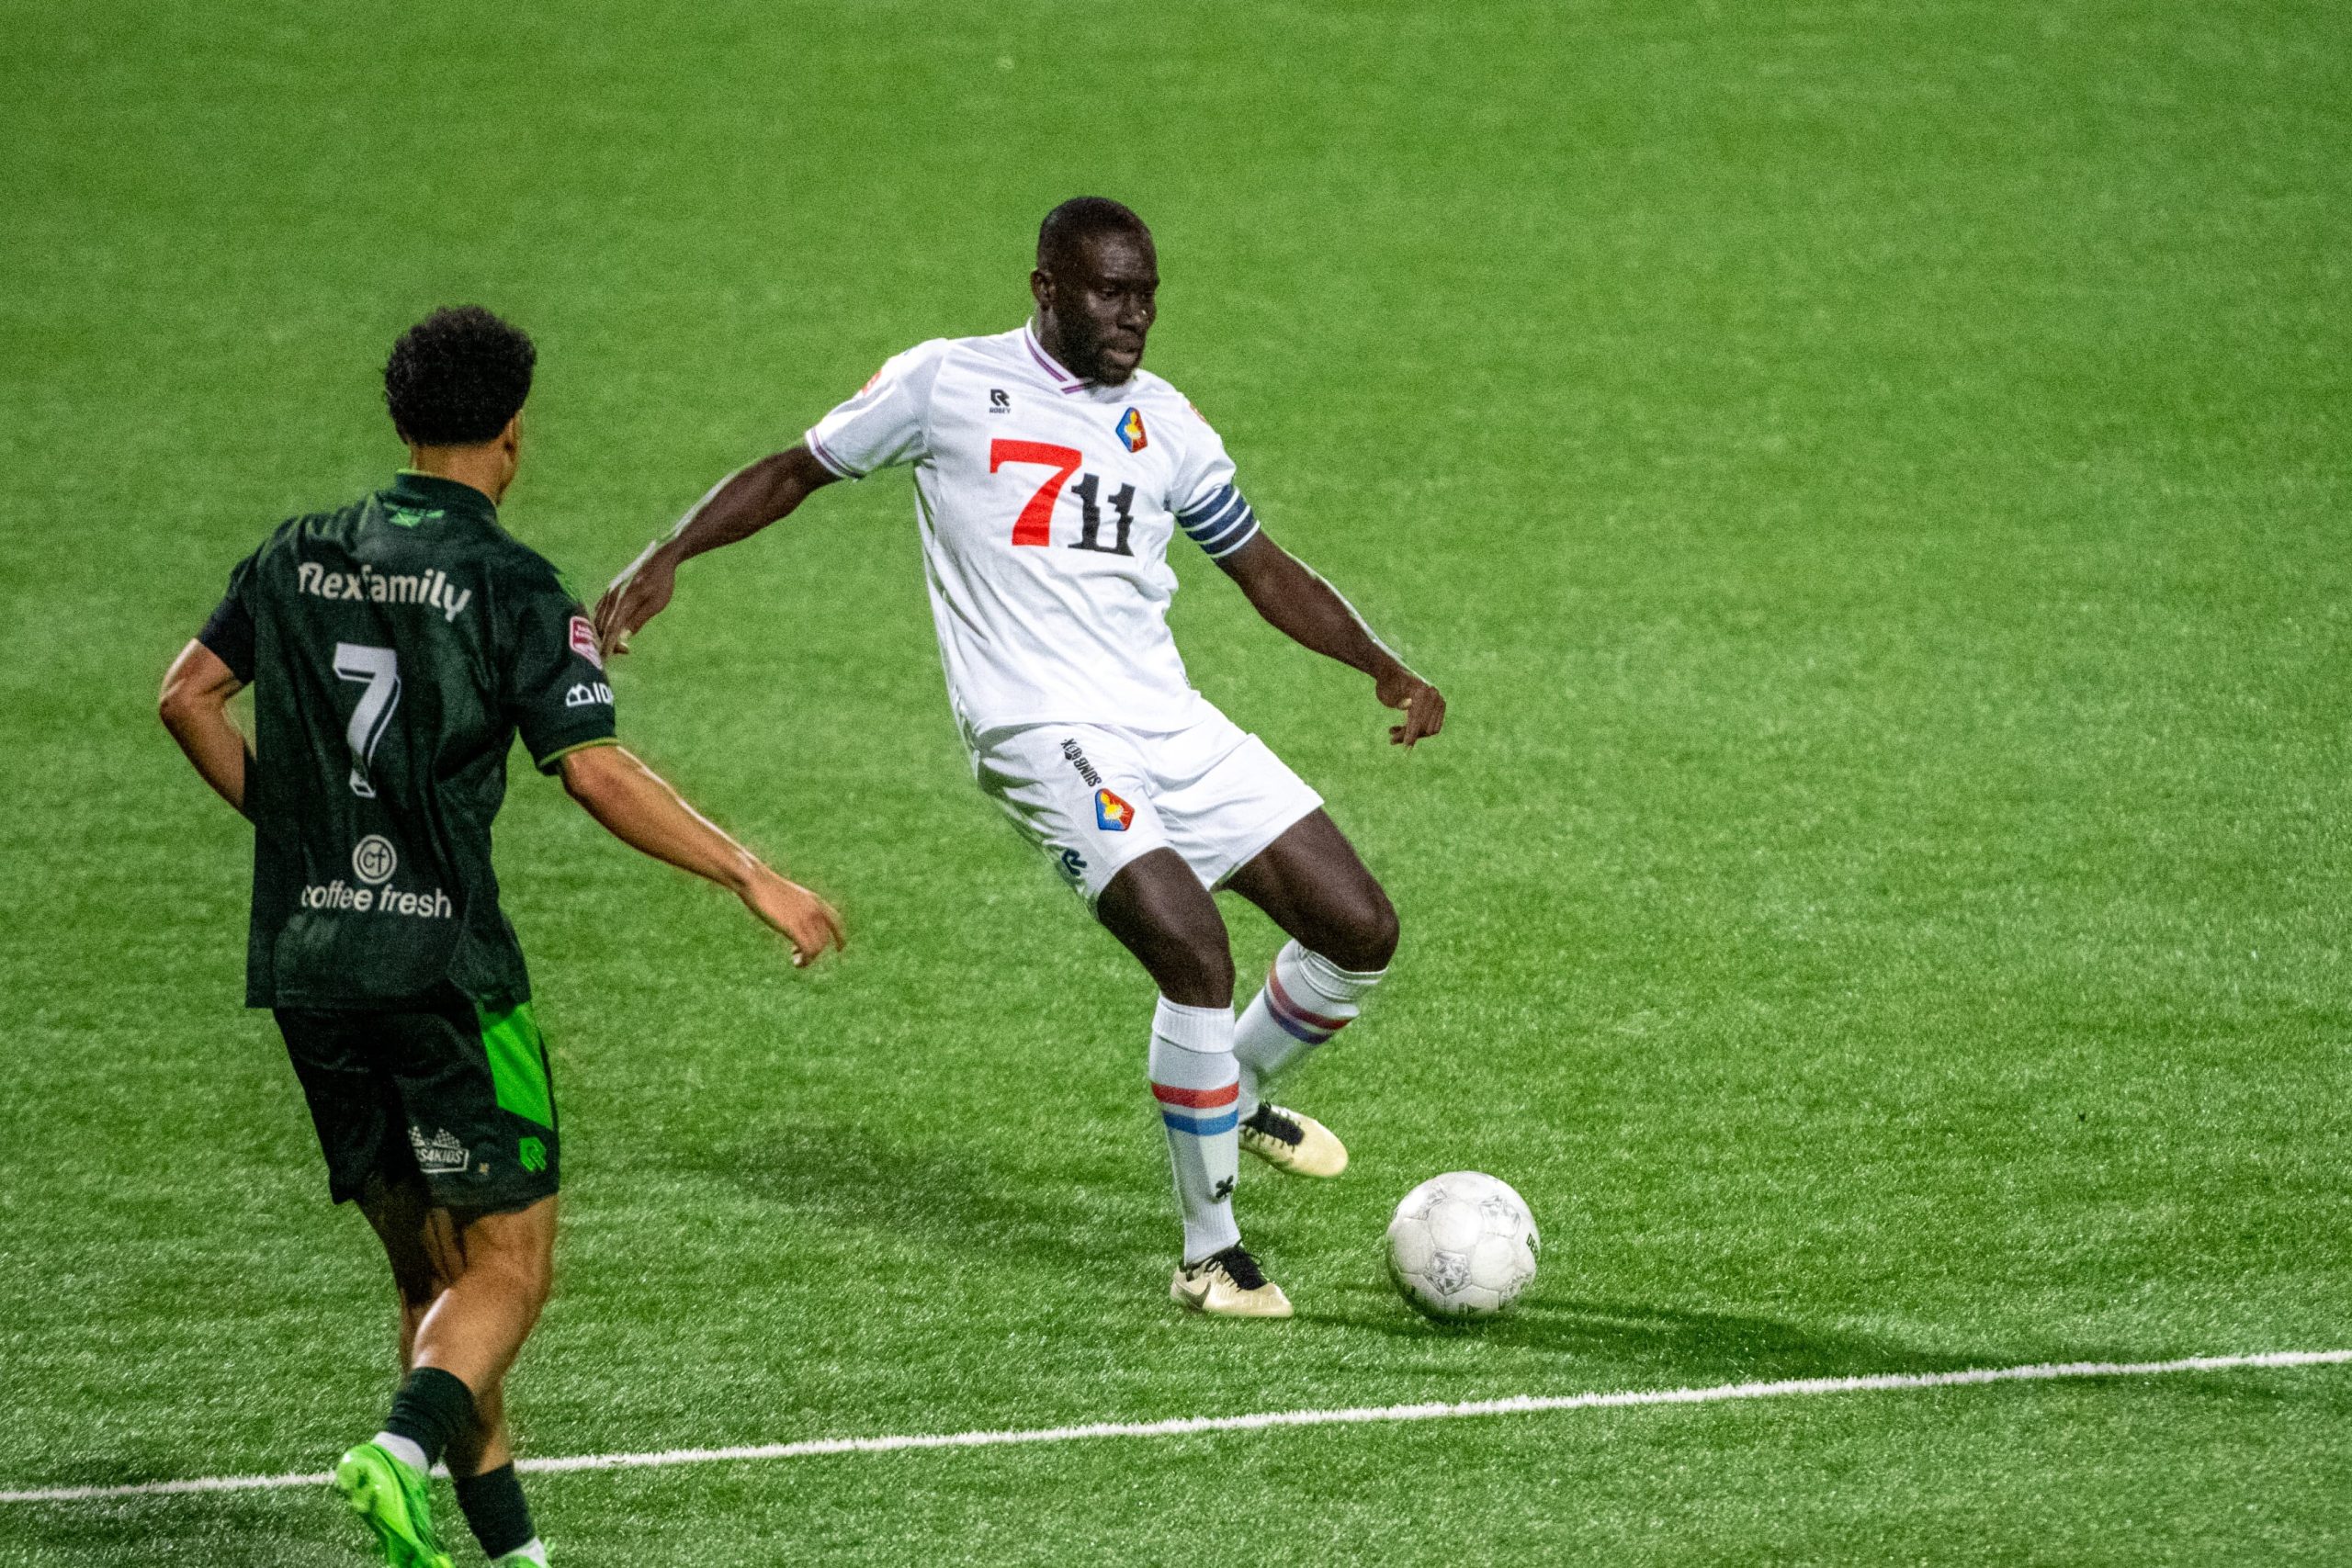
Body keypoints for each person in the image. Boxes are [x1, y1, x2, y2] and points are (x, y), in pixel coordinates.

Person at [596, 197, 1444, 1318]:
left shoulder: (1169, 423)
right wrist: (674, 553)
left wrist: (1381, 665)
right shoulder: (945, 383)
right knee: (1192, 952)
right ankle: (1208, 1252)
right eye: (1109, 292)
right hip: (1039, 730)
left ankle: (1230, 1093)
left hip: (1166, 719)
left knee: (1358, 932)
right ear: (1046, 286)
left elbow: (1261, 566)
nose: (1133, 315)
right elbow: (795, 469)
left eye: (1145, 293)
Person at [158, 306, 843, 1567]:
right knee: (512, 1269)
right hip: (445, 973)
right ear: (514, 433)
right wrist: (753, 874)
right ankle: (399, 1449)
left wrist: (296, 826)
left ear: (403, 420)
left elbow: (186, 694)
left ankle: (509, 1555)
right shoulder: (512, 583)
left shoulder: (297, 550)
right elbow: (590, 768)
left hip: (310, 961)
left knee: (439, 1284)